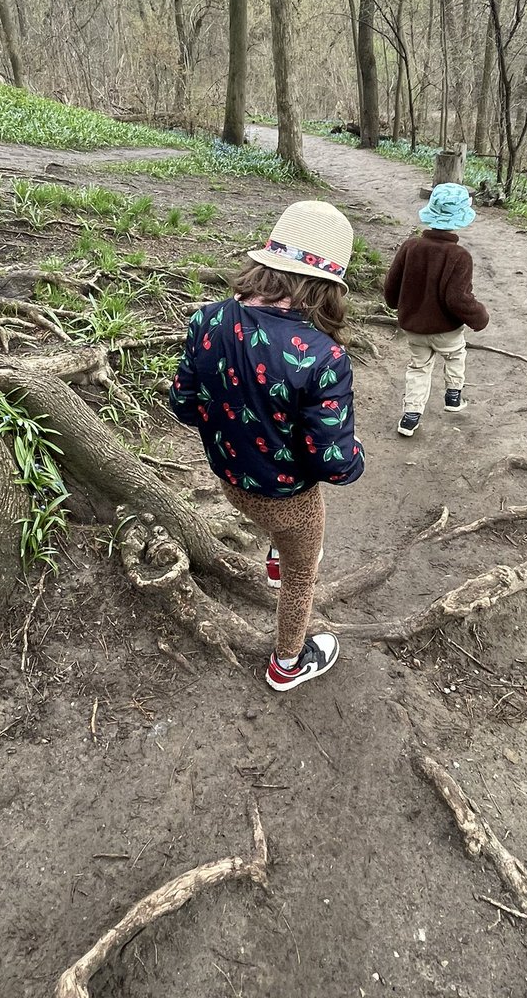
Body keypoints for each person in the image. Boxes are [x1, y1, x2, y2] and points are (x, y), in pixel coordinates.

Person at [170, 200, 365, 692]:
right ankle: (287, 664)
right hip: (290, 499)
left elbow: (185, 404)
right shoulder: (325, 357)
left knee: (279, 538)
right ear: (327, 286)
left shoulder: (206, 320)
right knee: (303, 575)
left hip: (231, 479)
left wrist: (235, 425)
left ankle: (276, 558)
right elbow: (334, 464)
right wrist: (356, 452)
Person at [383, 182, 489, 437]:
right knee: (455, 355)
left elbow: (392, 283)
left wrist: (396, 304)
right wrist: (480, 317)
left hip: (414, 327)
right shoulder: (459, 256)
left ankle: (410, 417)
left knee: (418, 368)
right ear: (460, 219)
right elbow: (458, 299)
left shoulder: (411, 247)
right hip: (446, 329)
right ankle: (453, 397)